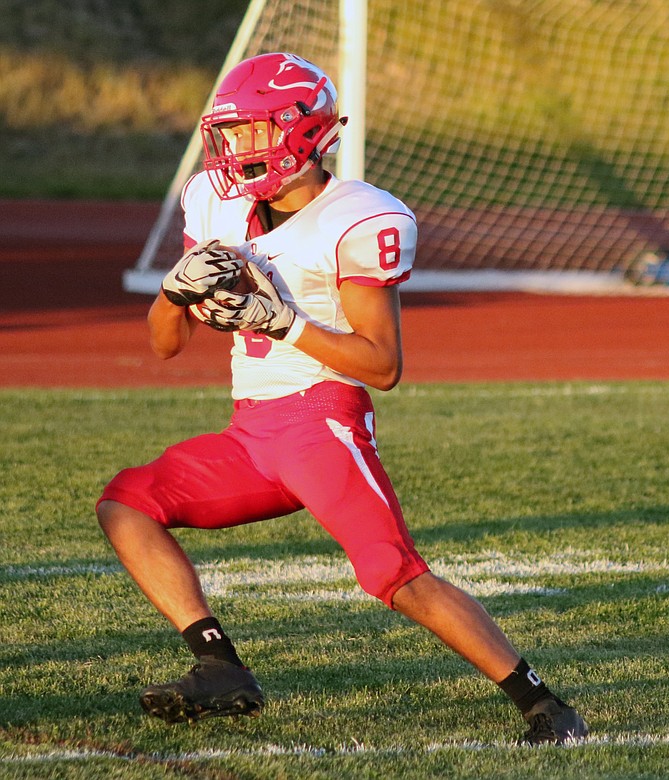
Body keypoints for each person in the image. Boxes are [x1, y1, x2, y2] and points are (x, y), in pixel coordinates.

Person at [96, 52, 588, 744]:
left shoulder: (357, 217)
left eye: (252, 132)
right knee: (127, 502)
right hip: (251, 433)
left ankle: (546, 707)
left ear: (300, 132)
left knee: (394, 574)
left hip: (321, 421)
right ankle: (219, 666)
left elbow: (382, 365)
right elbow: (165, 344)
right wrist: (173, 291)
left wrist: (287, 321)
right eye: (231, 134)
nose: (236, 149)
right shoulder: (213, 200)